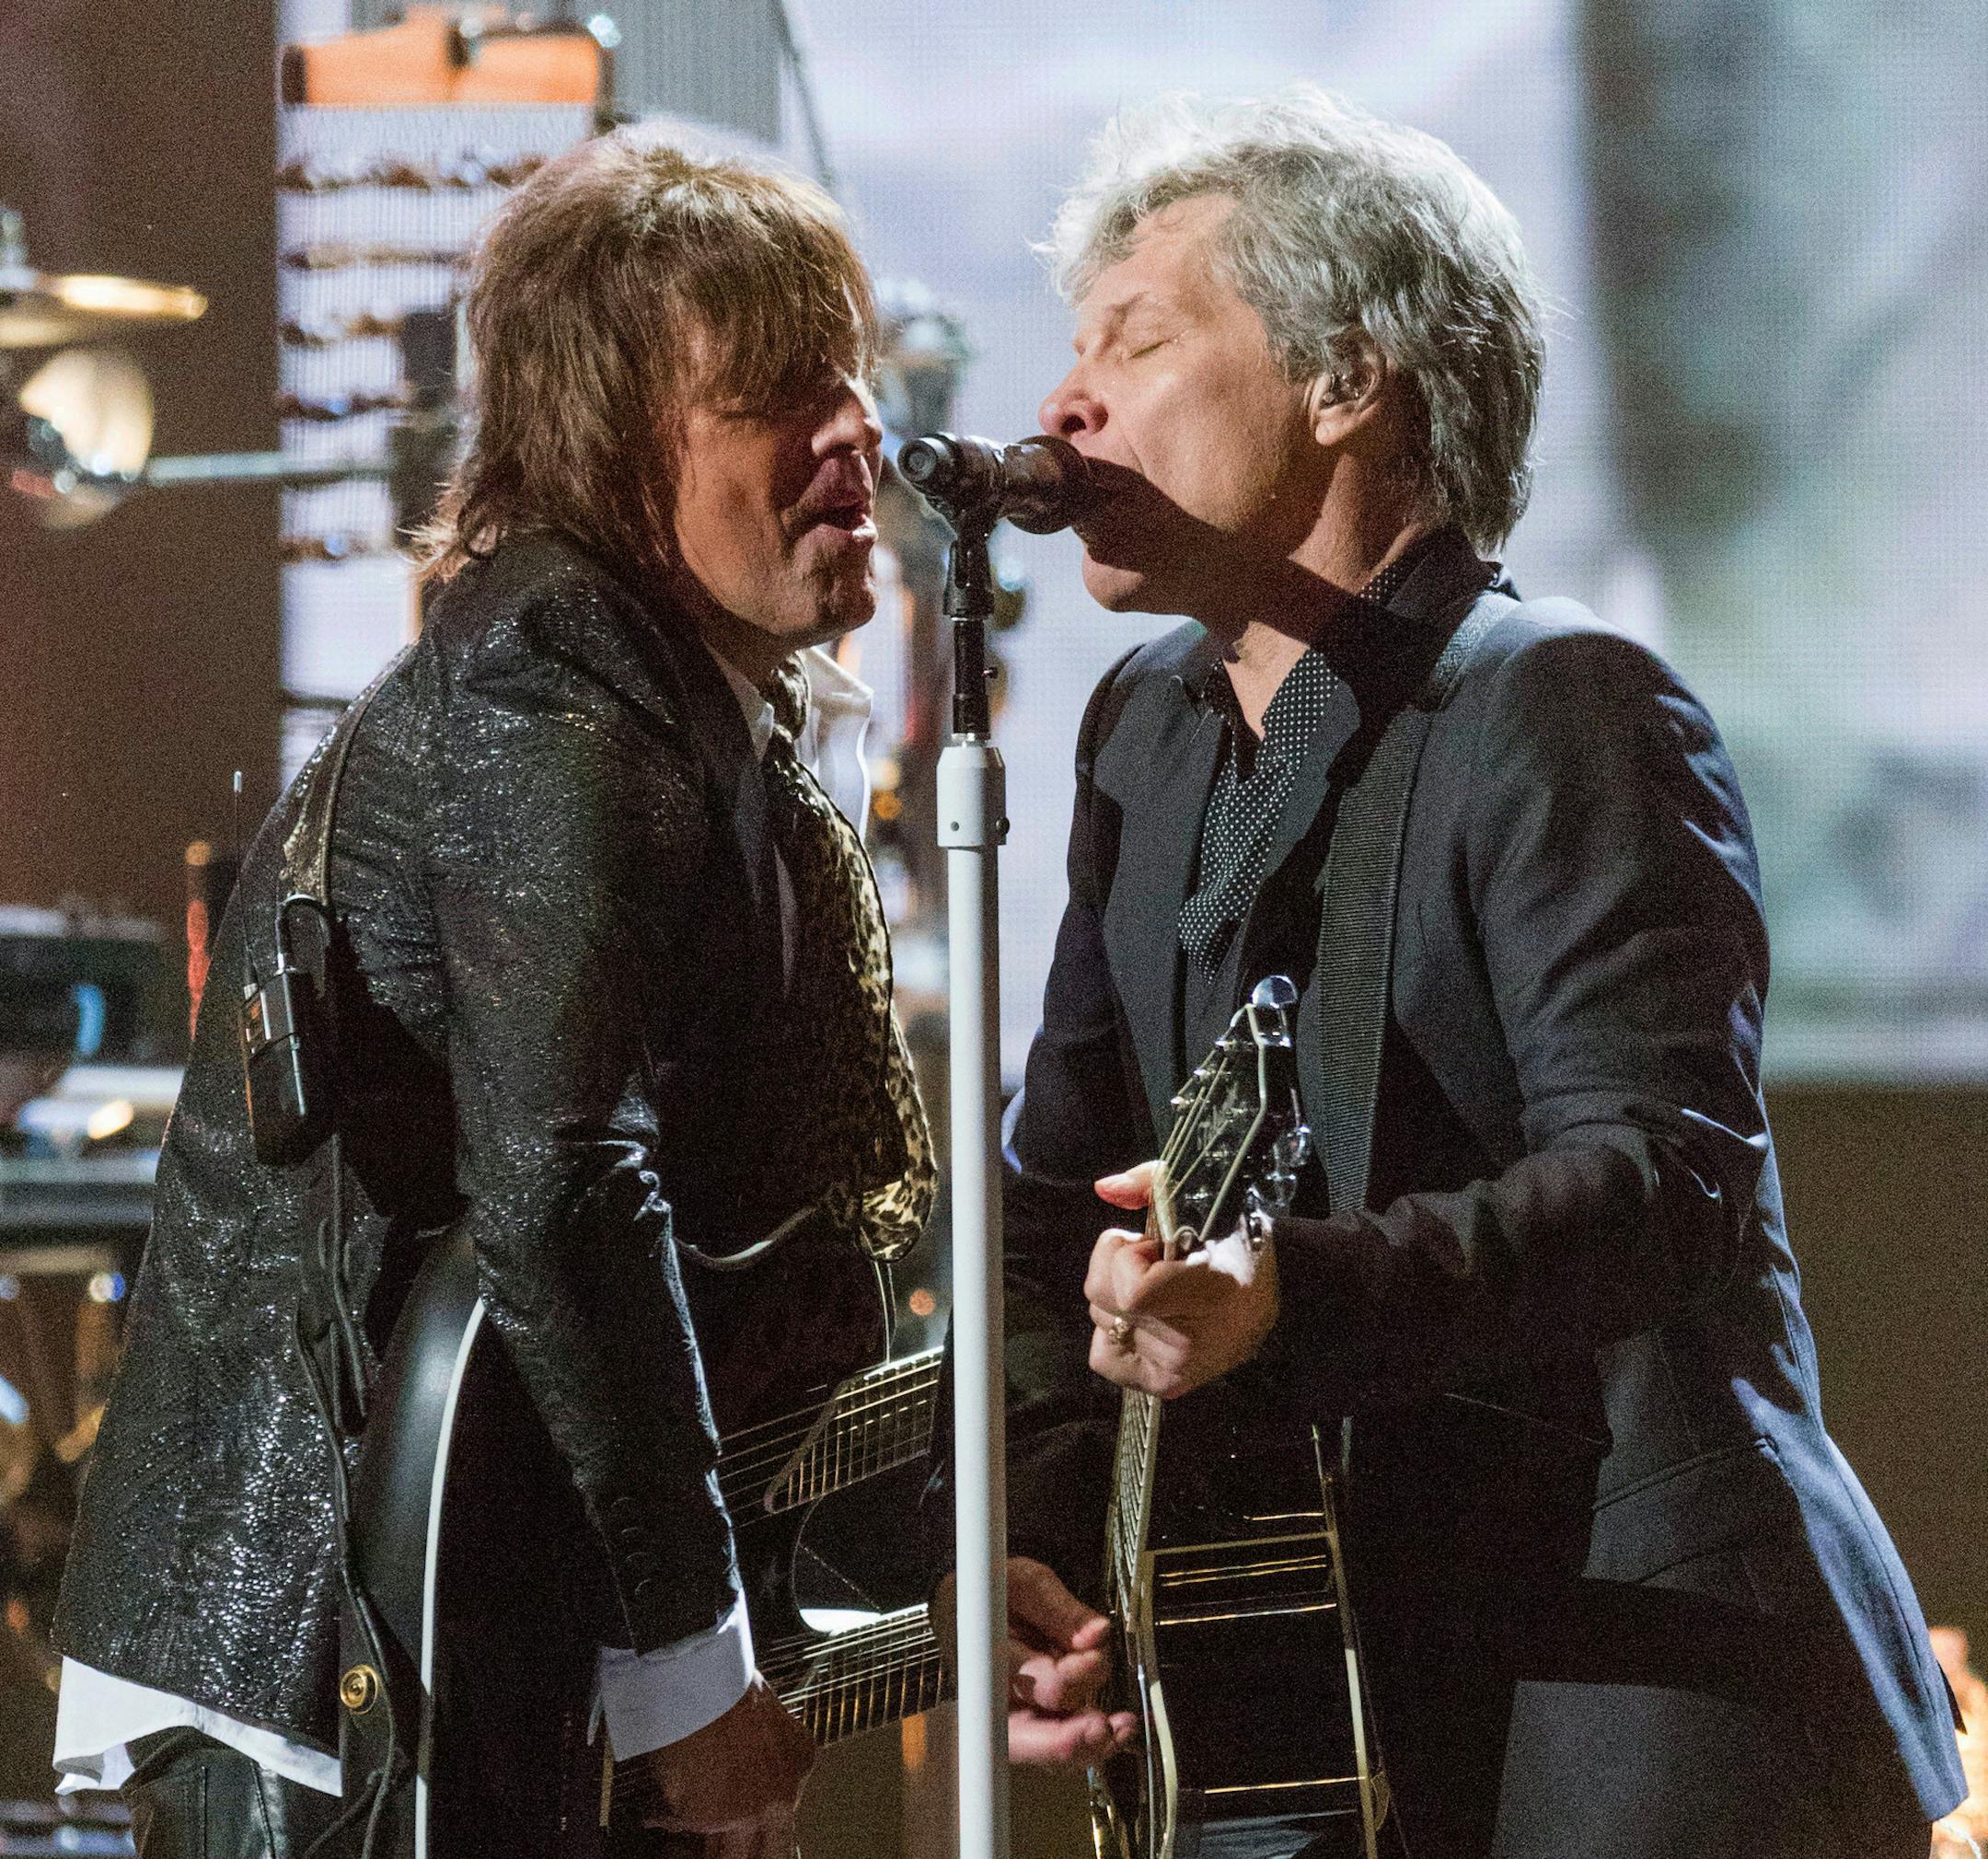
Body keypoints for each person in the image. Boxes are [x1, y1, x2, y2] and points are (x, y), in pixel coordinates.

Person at [934, 88, 1967, 1857]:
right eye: (1068, 347)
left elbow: (1662, 1182)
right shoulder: (1145, 737)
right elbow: (1050, 1202)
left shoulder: (1562, 706)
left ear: (1348, 384)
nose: (1062, 403)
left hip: (1633, 1635)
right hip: (1312, 1659)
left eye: (1140, 339)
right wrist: (1037, 1546)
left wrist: (1293, 1297)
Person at [51, 133, 932, 1858]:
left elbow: (718, 1263)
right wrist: (697, 1676)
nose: (854, 434)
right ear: (613, 443)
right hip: (348, 1639)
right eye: (774, 395)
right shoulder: (558, 671)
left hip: (469, 1613)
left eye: (849, 378)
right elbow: (563, 1189)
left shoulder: (683, 703)